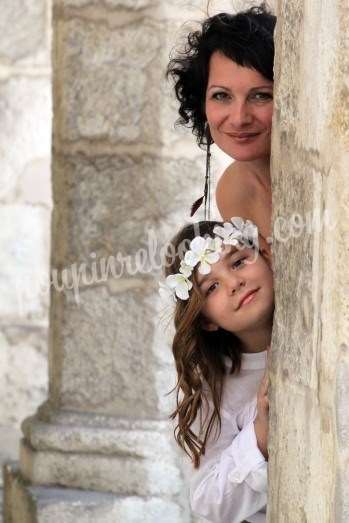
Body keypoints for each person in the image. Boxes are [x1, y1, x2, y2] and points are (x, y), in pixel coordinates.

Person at [160, 217, 273, 523]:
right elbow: (208, 501)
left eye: (237, 263)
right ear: (206, 320)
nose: (234, 283)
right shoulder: (214, 392)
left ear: (265, 255)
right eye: (212, 287)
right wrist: (260, 435)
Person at [167, 4, 276, 260]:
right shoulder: (234, 190)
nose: (239, 118)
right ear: (201, 102)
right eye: (221, 95)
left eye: (261, 95)